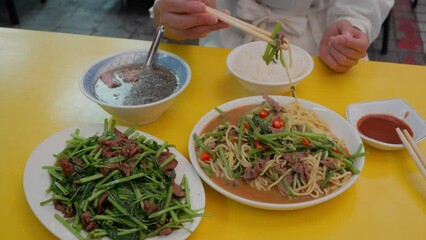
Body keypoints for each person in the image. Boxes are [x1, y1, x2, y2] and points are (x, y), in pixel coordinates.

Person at [152, 0, 394, 73]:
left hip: (319, 46)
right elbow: (168, 11)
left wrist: (354, 22)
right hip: (225, 40)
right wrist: (170, 13)